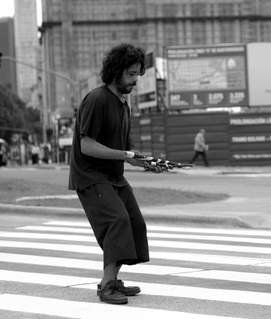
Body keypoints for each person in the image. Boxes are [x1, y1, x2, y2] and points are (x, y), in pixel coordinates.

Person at [68, 43, 149, 305]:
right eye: (131, 74)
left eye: (138, 74)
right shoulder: (97, 99)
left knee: (134, 223)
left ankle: (114, 279)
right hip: (90, 176)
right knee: (118, 221)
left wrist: (146, 162)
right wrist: (125, 156)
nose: (135, 80)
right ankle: (107, 285)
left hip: (114, 176)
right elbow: (86, 145)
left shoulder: (123, 104)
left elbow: (127, 149)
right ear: (116, 71)